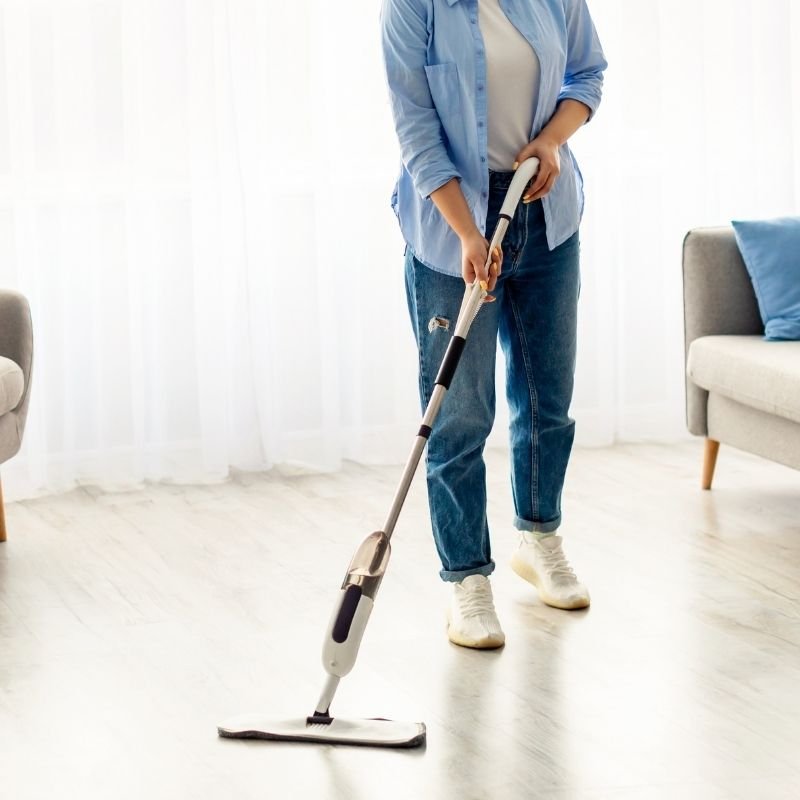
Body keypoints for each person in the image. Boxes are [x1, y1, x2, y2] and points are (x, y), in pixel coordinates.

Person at [380, 0, 607, 649]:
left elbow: (587, 76)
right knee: (459, 417)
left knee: (546, 401)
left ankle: (539, 540)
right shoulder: (412, 10)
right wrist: (467, 234)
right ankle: (465, 581)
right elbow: (416, 130)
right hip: (453, 231)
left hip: (545, 216)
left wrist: (552, 141)